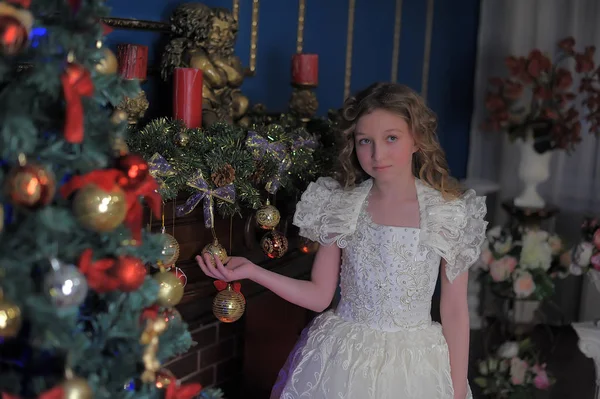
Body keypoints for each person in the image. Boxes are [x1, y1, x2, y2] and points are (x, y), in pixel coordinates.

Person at [196, 82, 488, 399]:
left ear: (416, 139)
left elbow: (455, 310)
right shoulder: (341, 207)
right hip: (343, 359)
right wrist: (254, 271)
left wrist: (458, 390)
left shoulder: (447, 212)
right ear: (354, 143)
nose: (377, 154)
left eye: (391, 138)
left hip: (414, 365)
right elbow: (320, 296)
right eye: (365, 141)